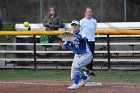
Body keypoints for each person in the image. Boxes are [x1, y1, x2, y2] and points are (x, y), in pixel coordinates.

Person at [60, 20, 93, 89]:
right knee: (73, 77)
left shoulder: (82, 33)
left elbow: (83, 40)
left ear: (79, 26)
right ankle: (85, 77)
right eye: (73, 25)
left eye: (76, 25)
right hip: (77, 56)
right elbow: (65, 46)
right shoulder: (69, 35)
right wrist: (63, 45)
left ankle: (75, 85)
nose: (74, 26)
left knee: (77, 65)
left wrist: (75, 38)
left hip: (86, 55)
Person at [80, 7, 97, 77]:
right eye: (87, 12)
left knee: (91, 56)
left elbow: (94, 30)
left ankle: (90, 70)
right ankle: (86, 70)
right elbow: (80, 31)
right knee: (86, 56)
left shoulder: (94, 21)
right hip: (85, 41)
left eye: (90, 12)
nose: (89, 13)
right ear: (85, 13)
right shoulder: (82, 21)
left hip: (92, 40)